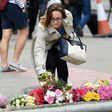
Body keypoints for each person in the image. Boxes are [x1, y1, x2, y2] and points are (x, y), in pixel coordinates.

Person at [33, 3, 74, 83]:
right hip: (47, 45)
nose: (56, 22)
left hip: (61, 41)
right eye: (52, 19)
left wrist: (69, 37)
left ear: (63, 17)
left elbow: (70, 28)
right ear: (49, 18)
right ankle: (50, 87)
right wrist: (41, 71)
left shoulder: (68, 15)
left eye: (58, 19)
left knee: (61, 61)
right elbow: (39, 50)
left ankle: (64, 86)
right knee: (50, 63)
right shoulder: (42, 26)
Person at [0, 0, 29, 72]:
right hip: (14, 5)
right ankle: (15, 61)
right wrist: (22, 6)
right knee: (24, 32)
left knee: (5, 36)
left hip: (5, 5)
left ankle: (4, 65)